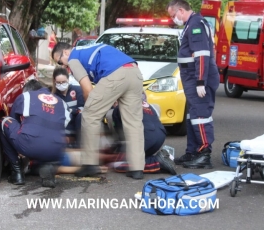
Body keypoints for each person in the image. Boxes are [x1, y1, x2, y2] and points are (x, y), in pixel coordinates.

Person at [52, 42, 145, 179]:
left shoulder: (73, 58)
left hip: (115, 75)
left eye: (60, 61)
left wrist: (91, 107)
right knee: (134, 122)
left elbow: (87, 88)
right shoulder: (88, 48)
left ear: (65, 53)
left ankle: (90, 164)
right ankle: (137, 168)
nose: (62, 66)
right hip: (135, 72)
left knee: (89, 115)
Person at [166, 0, 220, 169]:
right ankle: (193, 151)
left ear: (181, 10)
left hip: (197, 77)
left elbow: (202, 55)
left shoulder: (196, 25)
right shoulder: (191, 24)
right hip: (191, 77)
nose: (173, 19)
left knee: (200, 116)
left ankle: (204, 154)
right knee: (192, 116)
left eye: (173, 15)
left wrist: (200, 81)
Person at [0, 79, 71, 188]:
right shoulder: (62, 103)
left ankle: (17, 172)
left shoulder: (26, 96)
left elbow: (14, 121)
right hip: (58, 150)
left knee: (4, 121)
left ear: (27, 91)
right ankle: (48, 165)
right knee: (48, 135)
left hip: (31, 144)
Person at [111, 93, 176, 175]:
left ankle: (158, 162)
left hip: (145, 138)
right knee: (140, 156)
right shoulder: (146, 104)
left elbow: (122, 136)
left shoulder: (119, 108)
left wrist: (118, 151)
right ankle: (165, 158)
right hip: (160, 136)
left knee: (118, 163)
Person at [52, 67, 84, 148]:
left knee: (81, 116)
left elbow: (82, 109)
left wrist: (70, 111)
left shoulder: (77, 90)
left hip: (78, 123)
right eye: (58, 83)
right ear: (55, 82)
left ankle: (80, 144)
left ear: (68, 80)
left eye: (63, 82)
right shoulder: (54, 96)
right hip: (63, 125)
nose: (61, 84)